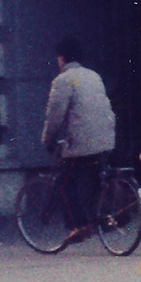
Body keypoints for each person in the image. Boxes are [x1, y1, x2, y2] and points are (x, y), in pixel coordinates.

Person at [41, 36, 116, 242]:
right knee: (92, 178)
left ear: (62, 58)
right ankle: (103, 218)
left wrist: (47, 140)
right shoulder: (94, 76)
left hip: (82, 143)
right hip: (106, 138)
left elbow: (55, 116)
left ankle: (78, 226)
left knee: (66, 181)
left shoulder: (63, 80)